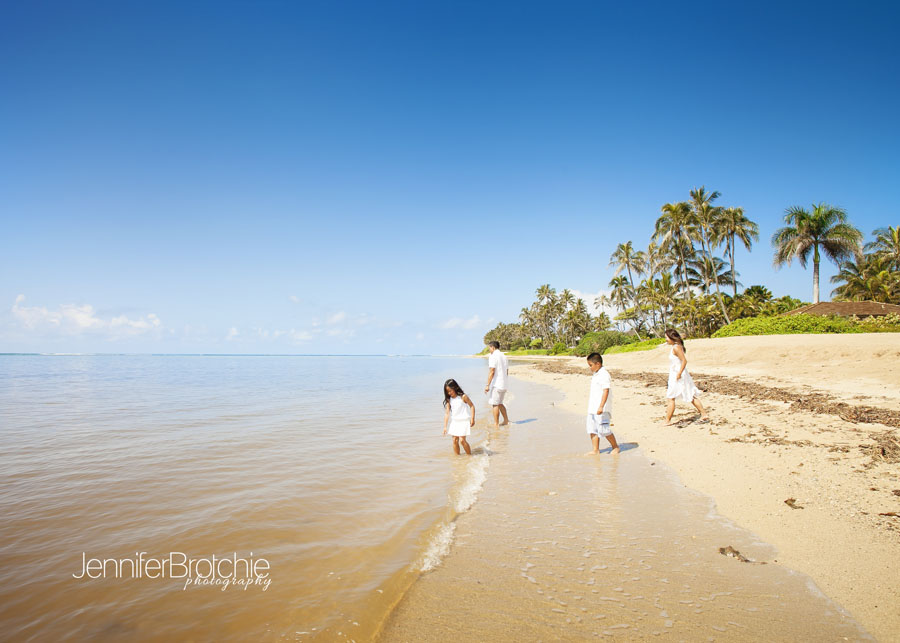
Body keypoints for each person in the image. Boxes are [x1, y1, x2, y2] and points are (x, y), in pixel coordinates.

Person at [663, 328, 709, 425]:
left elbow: (684, 361)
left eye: (666, 337)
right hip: (676, 374)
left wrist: (679, 373)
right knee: (689, 395)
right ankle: (704, 414)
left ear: (672, 337)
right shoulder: (676, 347)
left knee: (672, 397)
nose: (666, 339)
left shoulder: (676, 347)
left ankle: (667, 420)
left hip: (679, 375)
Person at [585, 352, 620, 455]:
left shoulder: (604, 374)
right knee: (592, 429)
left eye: (591, 365)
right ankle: (596, 450)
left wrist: (601, 406)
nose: (590, 368)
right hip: (592, 407)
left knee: (604, 429)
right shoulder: (596, 374)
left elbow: (606, 391)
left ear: (598, 364)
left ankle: (615, 446)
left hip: (602, 408)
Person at [443, 378, 475, 455]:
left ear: (455, 387)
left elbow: (472, 406)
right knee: (454, 440)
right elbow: (447, 413)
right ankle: (458, 458)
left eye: (450, 390)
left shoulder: (463, 397)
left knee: (462, 440)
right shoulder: (449, 399)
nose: (449, 393)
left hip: (464, 421)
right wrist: (445, 426)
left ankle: (469, 456)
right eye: (447, 392)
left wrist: (472, 418)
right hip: (455, 421)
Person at [484, 341, 509, 428]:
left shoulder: (493, 356)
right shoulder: (504, 356)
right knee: (500, 403)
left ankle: (496, 424)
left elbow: (492, 371)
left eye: (489, 348)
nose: (489, 350)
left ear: (493, 347)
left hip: (497, 384)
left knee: (495, 404)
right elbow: (506, 371)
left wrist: (487, 385)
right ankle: (506, 421)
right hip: (504, 384)